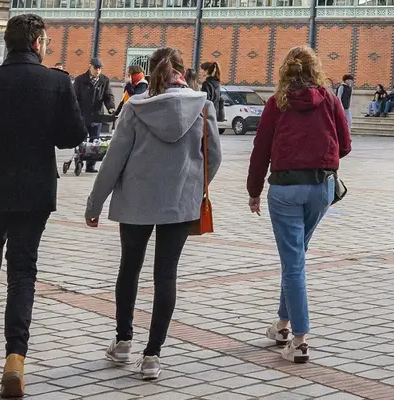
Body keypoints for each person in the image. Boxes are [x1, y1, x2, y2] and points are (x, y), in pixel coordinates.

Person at [0, 13, 87, 398]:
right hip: (34, 191)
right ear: (39, 43)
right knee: (23, 272)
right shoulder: (57, 82)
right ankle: (16, 358)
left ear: (7, 44)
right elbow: (73, 135)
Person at [85, 46, 222, 382]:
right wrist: (193, 185)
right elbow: (214, 157)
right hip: (179, 202)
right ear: (182, 70)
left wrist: (94, 203)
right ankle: (153, 356)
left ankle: (123, 342)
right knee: (166, 275)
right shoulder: (202, 105)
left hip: (135, 202)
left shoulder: (135, 107)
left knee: (129, 269)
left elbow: (114, 158)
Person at [246, 46, 352, 365]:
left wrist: (253, 190)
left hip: (285, 189)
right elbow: (345, 145)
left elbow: (260, 149)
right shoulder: (330, 100)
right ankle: (282, 325)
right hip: (322, 188)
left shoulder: (277, 104)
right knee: (296, 256)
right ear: (316, 69)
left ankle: (300, 339)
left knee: (293, 262)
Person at [74, 59, 114, 142]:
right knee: (82, 142)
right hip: (83, 116)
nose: (98, 71)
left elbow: (108, 96)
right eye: (95, 68)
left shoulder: (104, 80)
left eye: (100, 68)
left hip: (97, 115)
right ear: (90, 67)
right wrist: (76, 111)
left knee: (95, 143)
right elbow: (74, 97)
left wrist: (111, 107)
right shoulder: (80, 80)